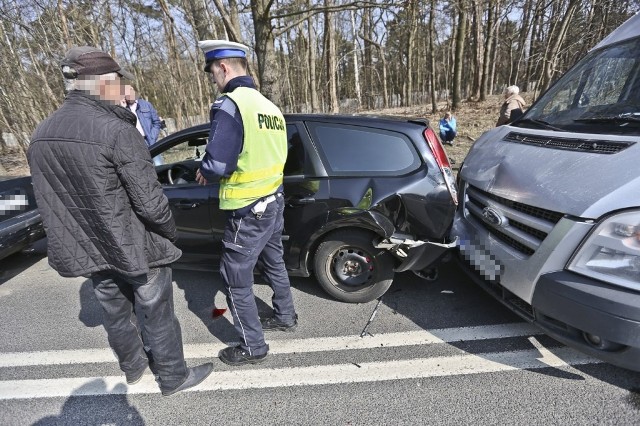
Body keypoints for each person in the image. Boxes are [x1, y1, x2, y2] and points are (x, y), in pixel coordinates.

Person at [27, 46, 213, 396]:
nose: (121, 87)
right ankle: (173, 376)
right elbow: (151, 201)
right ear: (101, 83)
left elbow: (50, 202)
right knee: (156, 310)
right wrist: (170, 234)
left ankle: (133, 367)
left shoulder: (41, 134)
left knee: (114, 310)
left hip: (89, 244)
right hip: (134, 244)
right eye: (117, 80)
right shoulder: (116, 130)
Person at [195, 40, 297, 366]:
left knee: (235, 277)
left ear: (223, 67)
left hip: (248, 207)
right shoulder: (270, 107)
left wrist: (204, 170)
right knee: (274, 261)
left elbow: (218, 164)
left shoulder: (230, 104)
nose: (214, 79)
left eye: (212, 72)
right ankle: (285, 315)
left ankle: (253, 347)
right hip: (274, 200)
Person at [122, 85, 164, 165]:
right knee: (144, 168)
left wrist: (152, 137)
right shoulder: (123, 110)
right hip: (136, 144)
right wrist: (123, 108)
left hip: (150, 140)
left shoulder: (146, 105)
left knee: (159, 165)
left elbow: (156, 122)